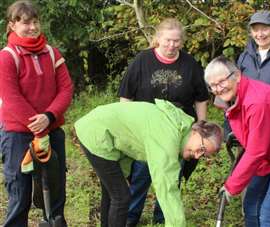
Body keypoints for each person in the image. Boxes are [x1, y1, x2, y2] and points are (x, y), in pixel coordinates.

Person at [74, 99, 223, 227]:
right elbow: (167, 188)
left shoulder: (179, 129)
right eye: (201, 148)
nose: (197, 156)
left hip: (99, 129)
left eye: (203, 155)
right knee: (121, 197)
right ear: (197, 132)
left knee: (112, 193)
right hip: (96, 133)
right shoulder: (168, 136)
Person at [118, 18, 209, 226]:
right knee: (140, 177)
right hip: (146, 133)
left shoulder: (189, 64)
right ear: (157, 39)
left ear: (182, 42)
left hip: (179, 133)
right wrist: (127, 126)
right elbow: (125, 96)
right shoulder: (142, 60)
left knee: (170, 177)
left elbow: (201, 98)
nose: (171, 45)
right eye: (167, 40)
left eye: (176, 41)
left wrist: (201, 126)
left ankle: (162, 218)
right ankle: (130, 218)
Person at [204, 56, 270, 227]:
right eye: (213, 86)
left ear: (237, 76)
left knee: (269, 214)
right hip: (268, 153)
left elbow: (256, 151)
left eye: (221, 82)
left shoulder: (257, 101)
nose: (218, 89)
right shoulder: (232, 97)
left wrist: (231, 186)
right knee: (251, 205)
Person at [0, 1, 73, 226]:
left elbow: (66, 88)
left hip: (52, 131)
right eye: (26, 23)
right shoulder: (7, 56)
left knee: (56, 189)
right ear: (12, 25)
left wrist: (48, 117)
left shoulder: (51, 53)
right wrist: (36, 123)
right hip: (17, 135)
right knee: (20, 194)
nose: (32, 27)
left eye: (35, 22)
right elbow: (11, 98)